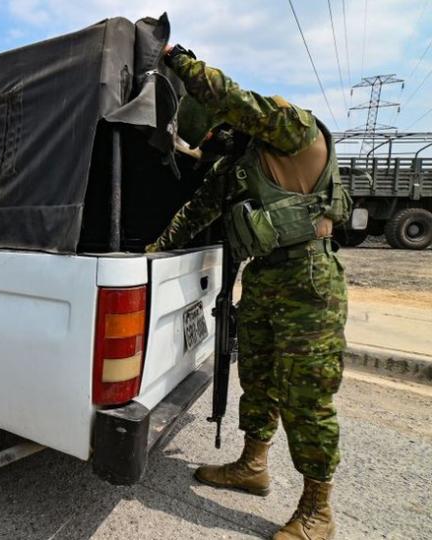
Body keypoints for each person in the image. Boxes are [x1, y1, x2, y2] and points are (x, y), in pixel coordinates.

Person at [147, 45, 351, 540]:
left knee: (308, 395)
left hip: (309, 280)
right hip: (264, 279)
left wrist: (179, 62)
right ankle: (253, 466)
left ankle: (317, 511)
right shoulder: (242, 167)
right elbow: (196, 212)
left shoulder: (294, 128)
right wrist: (153, 252)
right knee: (257, 377)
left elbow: (233, 97)